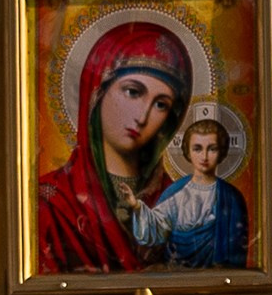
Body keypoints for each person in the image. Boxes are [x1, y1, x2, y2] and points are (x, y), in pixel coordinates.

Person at [36, 18, 190, 273]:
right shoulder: (51, 203)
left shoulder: (180, 203)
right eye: (133, 92)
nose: (142, 117)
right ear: (97, 91)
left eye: (161, 104)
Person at [131, 110, 250, 269]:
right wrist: (136, 206)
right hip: (177, 274)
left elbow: (237, 250)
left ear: (221, 151)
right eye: (197, 149)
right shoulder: (176, 192)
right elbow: (155, 228)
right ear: (188, 151)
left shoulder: (232, 197)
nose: (204, 156)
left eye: (212, 149)